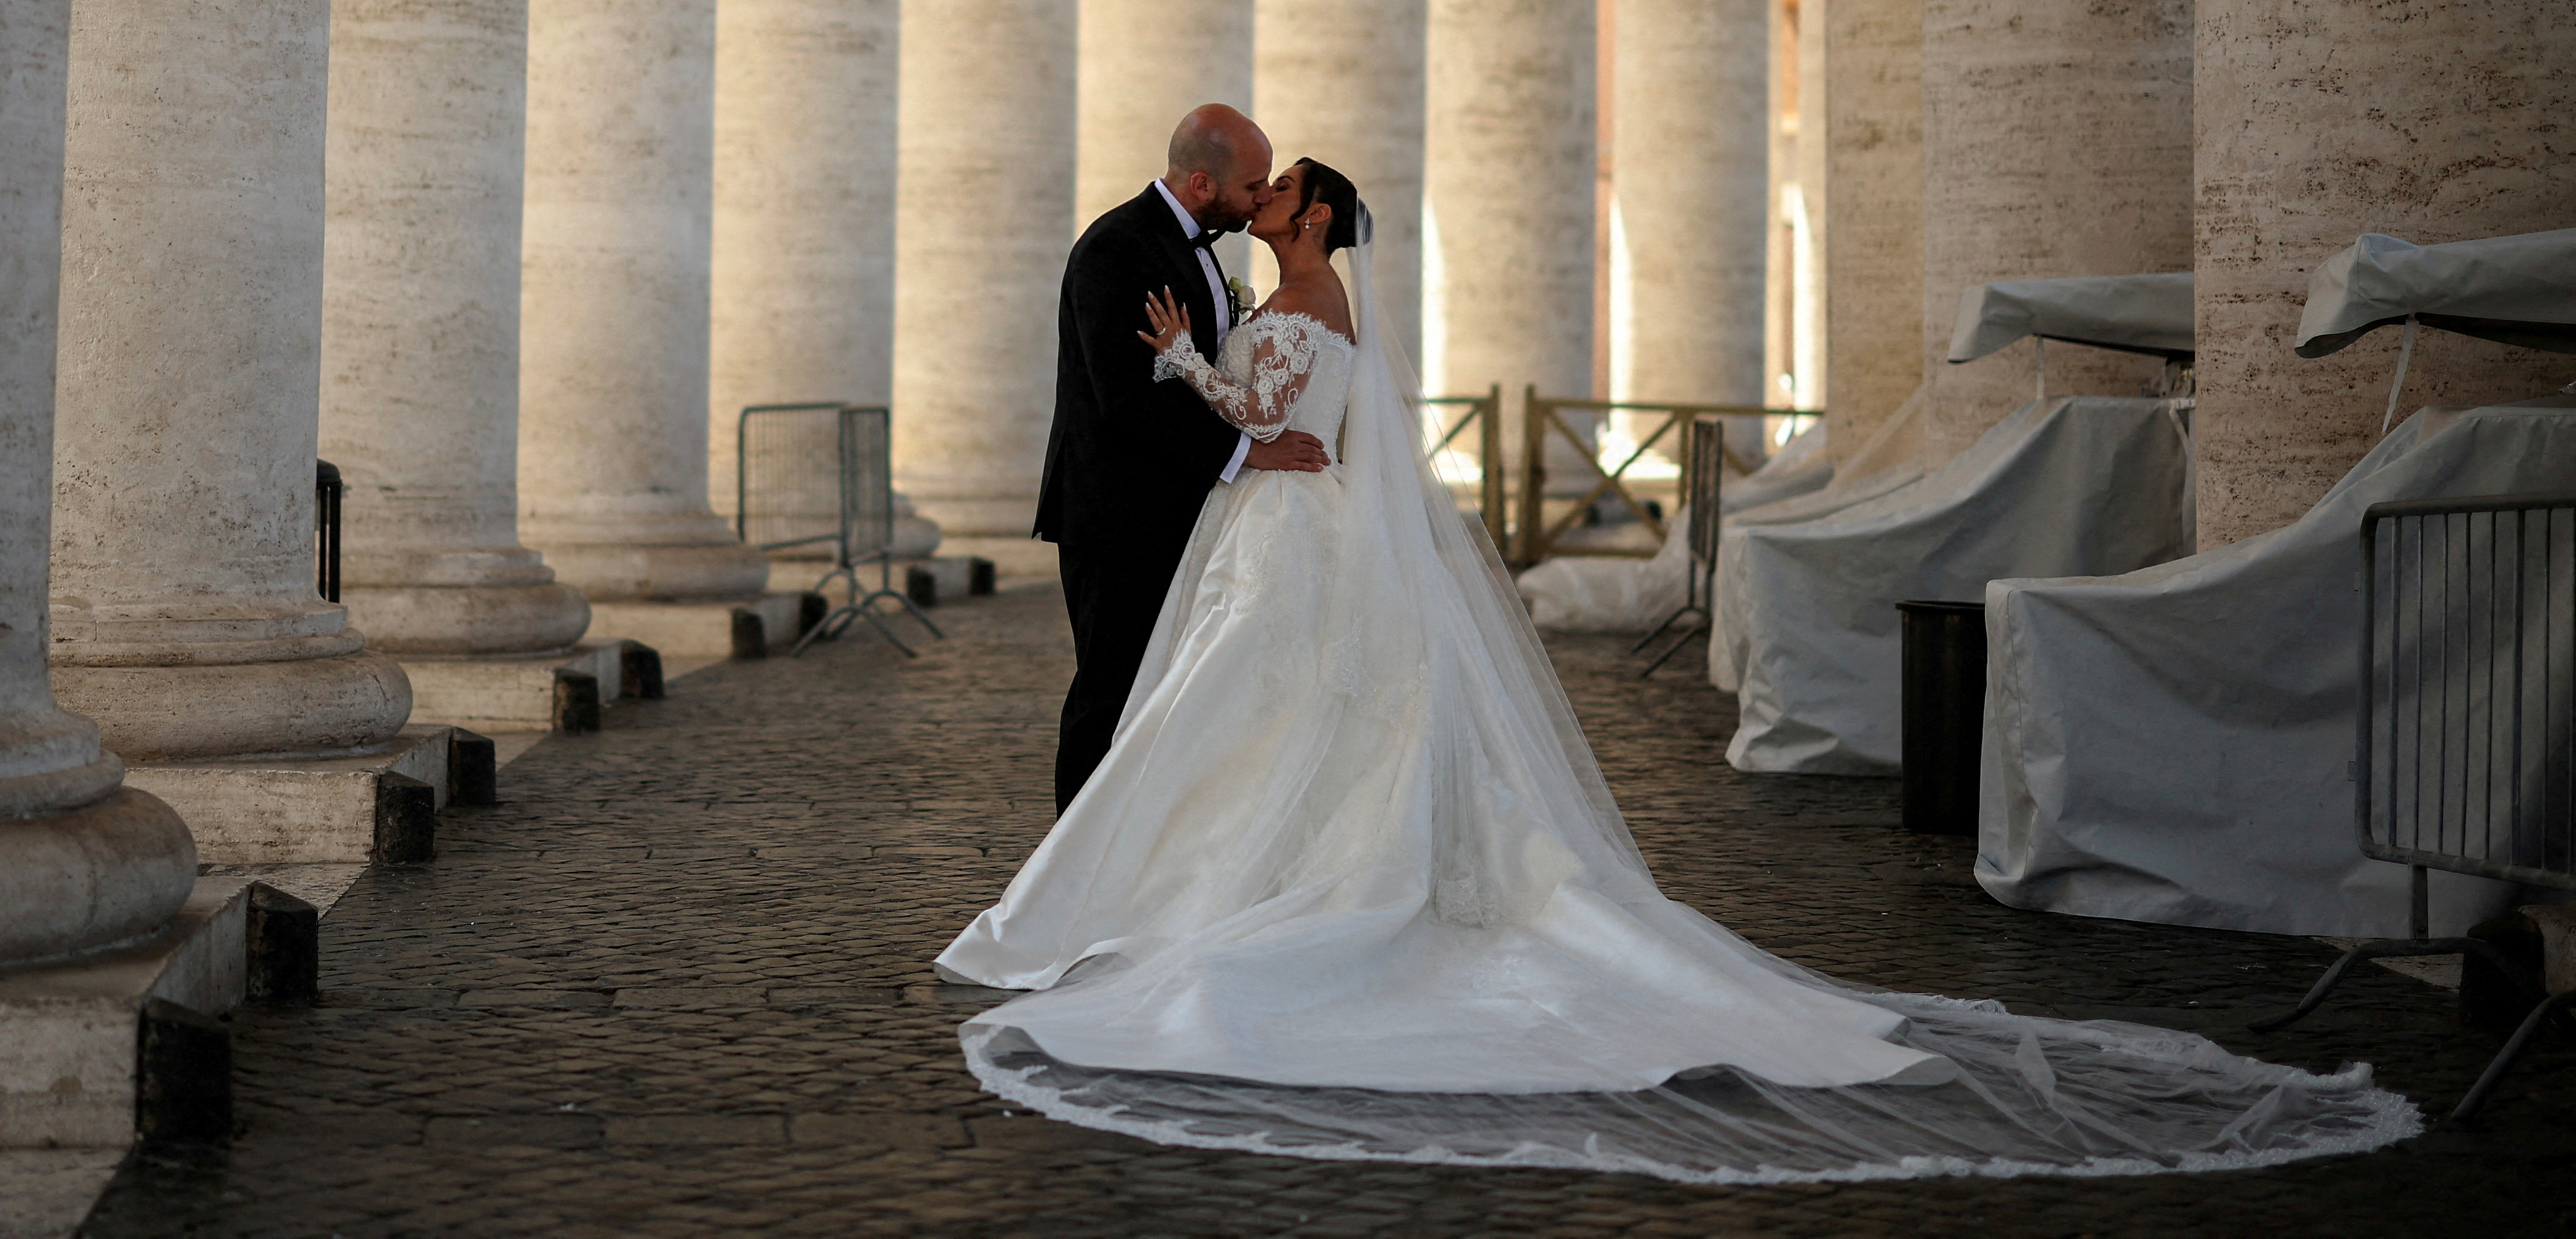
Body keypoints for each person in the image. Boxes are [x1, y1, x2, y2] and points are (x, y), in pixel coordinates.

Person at [943, 157, 2416, 1183]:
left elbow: (1289, 437)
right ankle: (1218, 874)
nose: (1260, 201)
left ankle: (1210, 890)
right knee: (1288, 726)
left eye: (1276, 189)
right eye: (1252, 187)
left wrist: (1182, 363)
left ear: (1309, 210)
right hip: (1301, 544)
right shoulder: (1322, 304)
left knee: (1259, 718)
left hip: (1285, 531)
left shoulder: (1299, 303)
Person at [1036, 105, 1333, 811]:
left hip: (1180, 506)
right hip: (1118, 515)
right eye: (1254, 184)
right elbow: (1124, 401)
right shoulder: (1118, 248)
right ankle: (1071, 866)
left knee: (1165, 691)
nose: (1262, 196)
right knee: (1109, 691)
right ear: (1204, 183)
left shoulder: (1196, 245)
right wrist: (1250, 450)